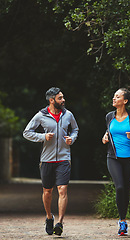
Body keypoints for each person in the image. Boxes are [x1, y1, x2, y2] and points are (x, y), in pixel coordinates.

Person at [23, 87, 79, 236]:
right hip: (47, 159)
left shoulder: (68, 115)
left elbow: (75, 129)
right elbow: (27, 132)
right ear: (51, 100)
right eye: (60, 98)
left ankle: (60, 223)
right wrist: (43, 137)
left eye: (63, 97)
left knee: (62, 189)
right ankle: (49, 217)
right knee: (47, 191)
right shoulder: (41, 115)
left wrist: (71, 139)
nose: (63, 100)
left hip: (64, 158)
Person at [102, 88, 130, 236]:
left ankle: (123, 220)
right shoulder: (109, 116)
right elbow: (109, 131)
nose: (114, 98)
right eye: (114, 96)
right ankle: (122, 221)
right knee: (119, 187)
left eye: (117, 97)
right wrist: (105, 136)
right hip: (113, 158)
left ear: (125, 101)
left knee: (126, 189)